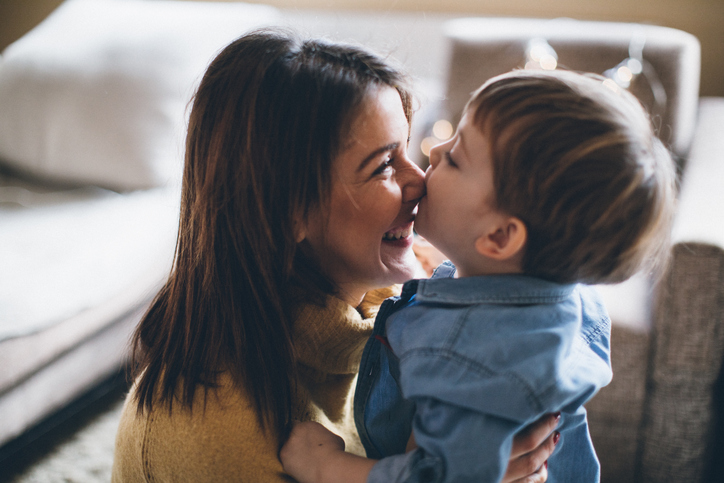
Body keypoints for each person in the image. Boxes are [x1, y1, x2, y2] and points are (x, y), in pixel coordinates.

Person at [111, 30, 559, 482]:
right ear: (288, 211)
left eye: (407, 148)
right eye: (384, 165)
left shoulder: (423, 291)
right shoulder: (213, 431)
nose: (419, 179)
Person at [279, 69, 677, 483]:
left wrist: (326, 468)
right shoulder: (557, 297)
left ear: (500, 236)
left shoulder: (474, 362)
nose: (431, 155)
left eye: (454, 157)